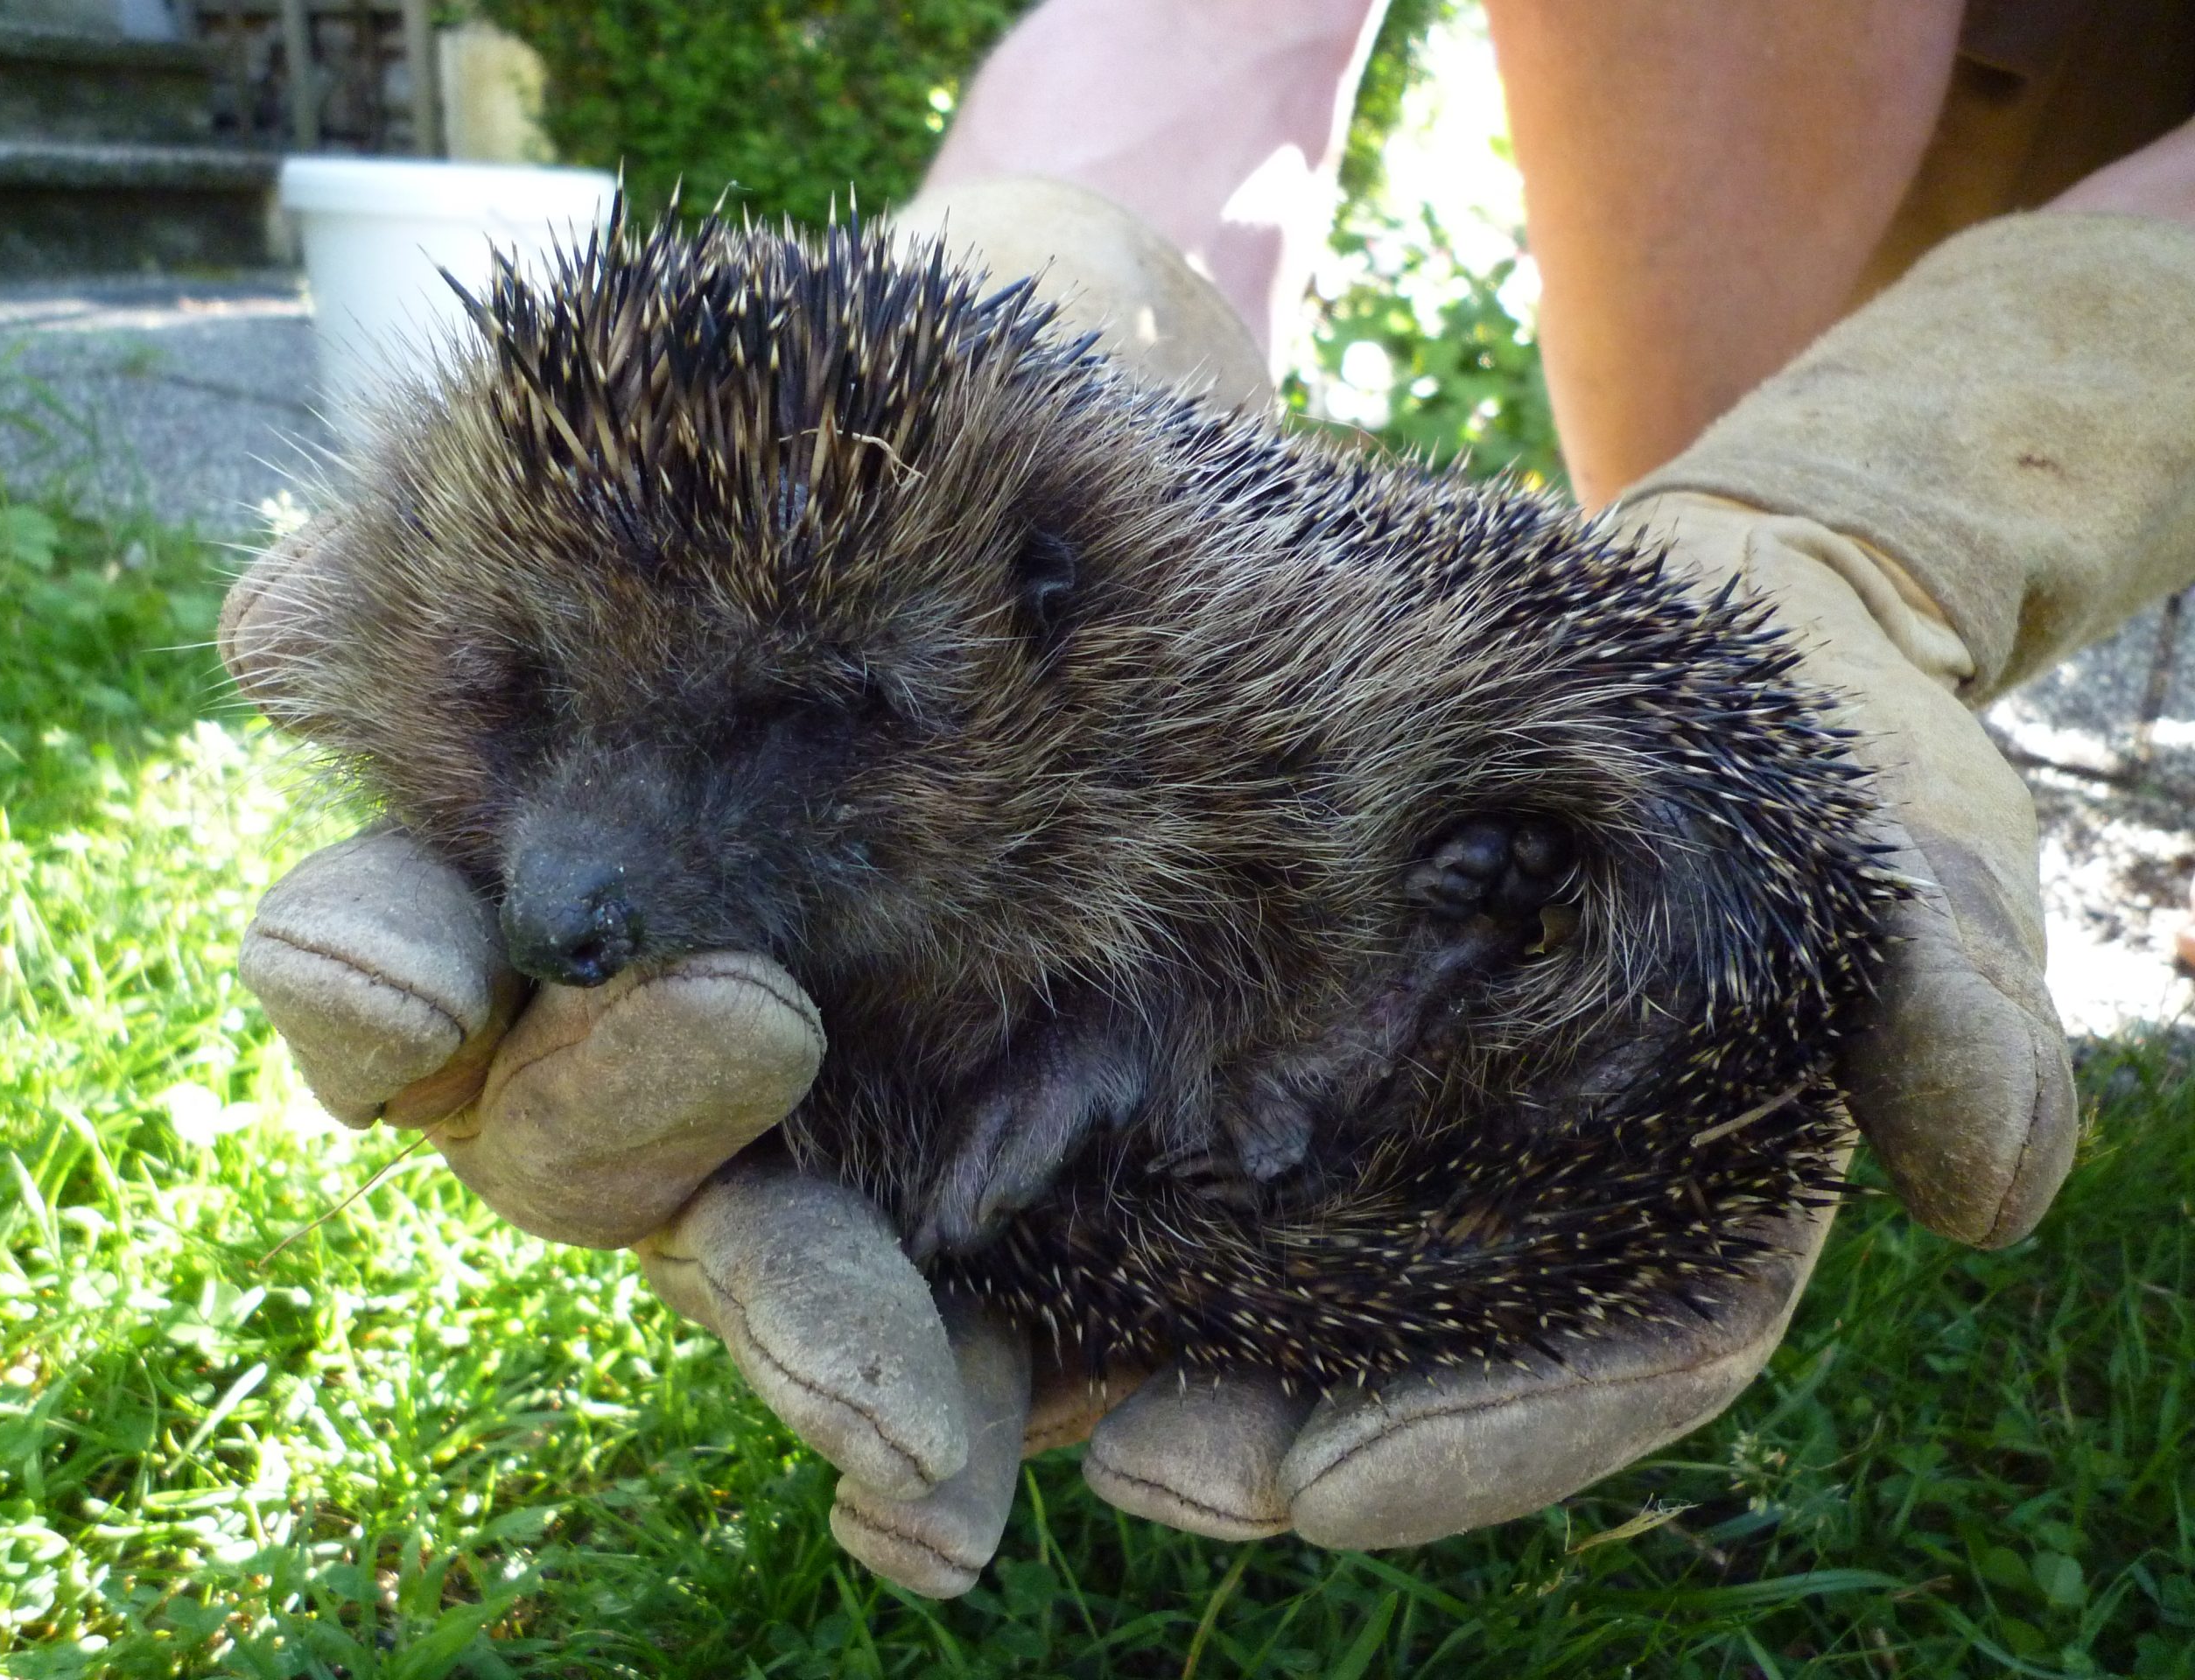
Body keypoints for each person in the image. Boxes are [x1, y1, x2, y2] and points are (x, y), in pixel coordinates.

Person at [221, 0, 2195, 1597]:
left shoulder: (1196, 689)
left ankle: (1432, 993)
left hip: (1374, 922)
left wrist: (1866, 532)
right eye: (526, 699)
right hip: (1249, 1059)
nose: (572, 881)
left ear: (1053, 609)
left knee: (1463, 846)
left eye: (796, 725)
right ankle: (1354, 1039)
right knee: (945, 1094)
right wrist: (1061, 228)